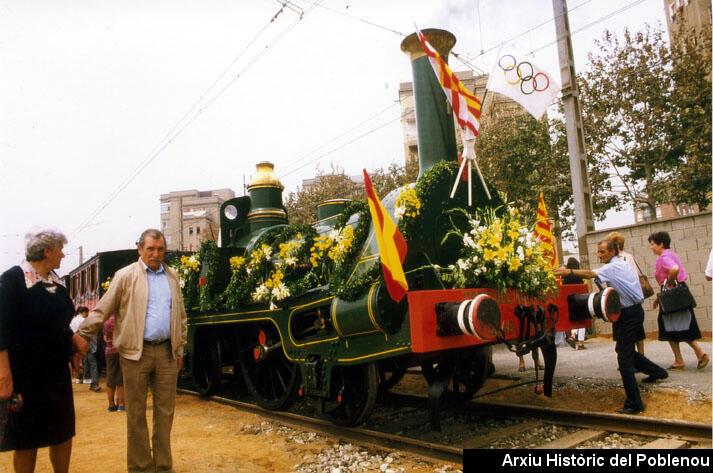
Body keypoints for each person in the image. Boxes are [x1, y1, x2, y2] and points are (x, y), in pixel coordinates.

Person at [77, 229, 187, 473]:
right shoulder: (125, 276)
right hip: (136, 354)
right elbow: (102, 309)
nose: (156, 254)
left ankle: (163, 466)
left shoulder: (172, 277)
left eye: (160, 249)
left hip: (167, 353)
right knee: (135, 414)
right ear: (140, 249)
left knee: (165, 413)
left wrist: (179, 349)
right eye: (150, 249)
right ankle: (140, 467)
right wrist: (81, 335)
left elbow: (180, 316)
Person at [0, 229, 87, 472]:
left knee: (62, 432)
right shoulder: (13, 280)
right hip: (24, 374)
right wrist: (3, 373)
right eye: (60, 249)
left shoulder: (56, 282)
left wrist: (74, 342)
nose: (63, 254)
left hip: (56, 374)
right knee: (27, 438)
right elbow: (1, 329)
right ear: (47, 251)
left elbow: (59, 324)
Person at [555, 239, 668, 415]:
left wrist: (567, 271)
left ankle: (634, 403)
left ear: (613, 252)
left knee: (624, 359)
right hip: (629, 313)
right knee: (623, 350)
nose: (599, 255)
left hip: (629, 314)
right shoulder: (620, 263)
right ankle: (658, 372)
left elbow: (590, 273)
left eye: (602, 252)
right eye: (598, 252)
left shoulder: (613, 267)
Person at [647, 231, 709, 370]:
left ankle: (683, 359)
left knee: (669, 326)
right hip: (679, 292)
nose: (651, 247)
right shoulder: (671, 254)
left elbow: (674, 269)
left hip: (672, 293)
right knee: (680, 324)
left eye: (652, 244)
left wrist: (669, 283)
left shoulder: (664, 257)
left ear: (660, 244)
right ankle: (695, 354)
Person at [605, 232, 646, 355]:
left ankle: (633, 357)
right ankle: (636, 356)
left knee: (628, 331)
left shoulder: (622, 259)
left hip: (624, 300)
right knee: (635, 332)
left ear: (616, 245)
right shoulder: (626, 257)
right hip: (627, 299)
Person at [70, 307, 100, 391]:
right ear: (83, 312)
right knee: (92, 363)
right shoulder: (84, 321)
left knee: (80, 361)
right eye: (87, 313)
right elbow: (90, 333)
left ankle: (79, 378)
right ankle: (94, 384)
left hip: (75, 344)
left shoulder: (73, 320)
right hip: (85, 344)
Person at [562, 258, 586, 350]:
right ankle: (580, 343)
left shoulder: (566, 277)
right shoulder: (578, 275)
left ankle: (573, 335)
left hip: (570, 300)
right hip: (580, 299)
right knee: (582, 320)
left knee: (575, 320)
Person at [103, 314, 125, 412]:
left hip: (109, 351)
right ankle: (121, 404)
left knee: (110, 376)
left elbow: (104, 338)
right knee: (120, 377)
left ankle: (111, 405)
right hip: (120, 351)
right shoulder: (121, 319)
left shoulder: (106, 321)